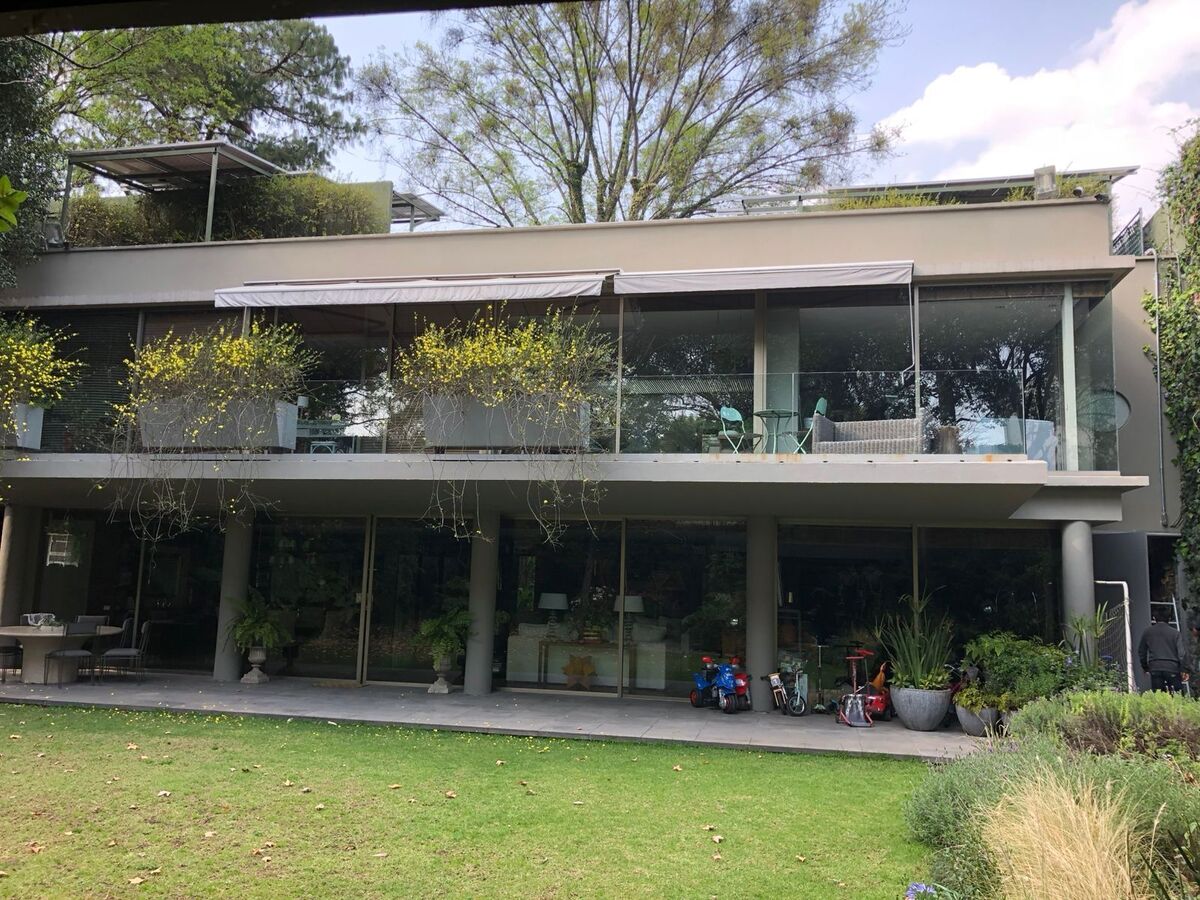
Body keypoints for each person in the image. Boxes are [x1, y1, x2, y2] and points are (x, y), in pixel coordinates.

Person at [1138, 613, 1190, 693]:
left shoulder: (1147, 632)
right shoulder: (1175, 633)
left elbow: (1142, 652)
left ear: (1154, 618)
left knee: (1158, 695)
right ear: (1169, 619)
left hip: (1155, 667)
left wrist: (1145, 667)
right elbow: (1181, 654)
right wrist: (1184, 669)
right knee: (1176, 694)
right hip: (1172, 667)